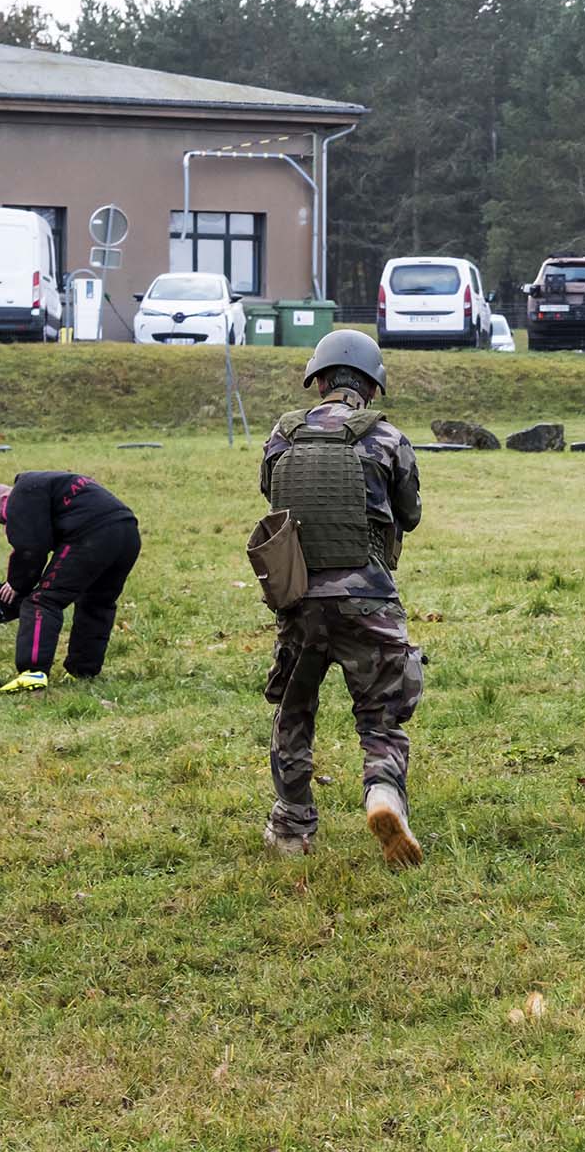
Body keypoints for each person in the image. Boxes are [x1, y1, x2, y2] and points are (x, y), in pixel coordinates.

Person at [260, 329, 425, 866]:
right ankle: (382, 794)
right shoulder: (389, 439)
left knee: (294, 711)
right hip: (368, 601)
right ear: (371, 388)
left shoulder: (281, 438)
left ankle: (292, 827)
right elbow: (411, 516)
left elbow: (272, 496)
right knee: (380, 716)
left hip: (299, 600)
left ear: (320, 379)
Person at [0, 472, 140, 693]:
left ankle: (32, 671)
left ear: (5, 499)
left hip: (92, 535)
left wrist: (18, 583)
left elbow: (31, 548)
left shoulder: (22, 492)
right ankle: (83, 672)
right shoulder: (50, 484)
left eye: (4, 519)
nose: (9, 524)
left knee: (41, 601)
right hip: (127, 531)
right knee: (96, 602)